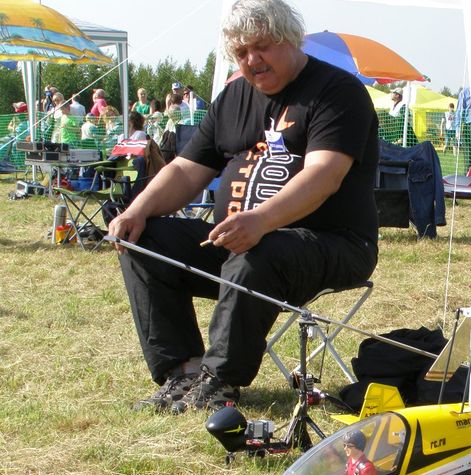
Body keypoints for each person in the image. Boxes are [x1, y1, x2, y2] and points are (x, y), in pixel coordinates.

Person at [111, 0, 379, 413]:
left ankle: (219, 381)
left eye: (263, 47)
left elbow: (325, 176)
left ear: (291, 39)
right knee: (145, 239)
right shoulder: (234, 95)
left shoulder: (337, 92)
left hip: (332, 245)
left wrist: (260, 220)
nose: (252, 60)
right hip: (243, 241)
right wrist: (137, 209)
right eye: (241, 52)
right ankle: (182, 371)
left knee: (257, 249)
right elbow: (185, 171)